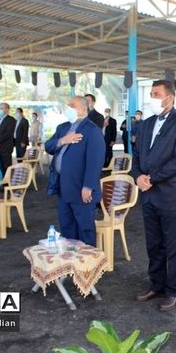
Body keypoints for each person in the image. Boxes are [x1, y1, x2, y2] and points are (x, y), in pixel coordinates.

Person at [132, 80, 176, 312]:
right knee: (153, 244)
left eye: (156, 94)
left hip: (169, 195)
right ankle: (156, 284)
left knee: (172, 245)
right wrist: (138, 176)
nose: (152, 98)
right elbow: (136, 155)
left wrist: (152, 178)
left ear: (170, 98)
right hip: (148, 195)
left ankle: (172, 290)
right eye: (151, 94)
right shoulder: (145, 124)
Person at [45, 96, 105, 245]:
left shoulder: (92, 130)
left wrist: (88, 186)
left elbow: (95, 162)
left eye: (72, 105)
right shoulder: (63, 128)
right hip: (62, 186)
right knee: (67, 227)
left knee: (85, 230)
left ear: (83, 109)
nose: (68, 108)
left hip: (81, 188)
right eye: (68, 105)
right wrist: (63, 140)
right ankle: (72, 262)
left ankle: (88, 266)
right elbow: (48, 146)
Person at [0, 103, 15, 176]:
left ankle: (9, 185)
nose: (0, 110)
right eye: (0, 108)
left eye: (2, 108)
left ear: (7, 109)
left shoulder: (11, 120)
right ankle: (5, 184)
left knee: (7, 167)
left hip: (6, 147)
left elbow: (8, 133)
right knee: (1, 166)